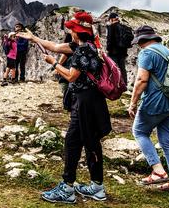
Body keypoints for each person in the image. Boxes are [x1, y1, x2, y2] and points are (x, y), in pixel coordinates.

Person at [18, 11, 111, 203]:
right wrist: (33, 37)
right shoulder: (89, 46)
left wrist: (53, 63)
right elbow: (54, 46)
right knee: (85, 142)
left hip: (85, 102)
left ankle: (68, 188)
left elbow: (70, 76)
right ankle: (95, 186)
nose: (70, 32)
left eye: (72, 30)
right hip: (91, 101)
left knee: (74, 142)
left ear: (77, 32)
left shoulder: (83, 51)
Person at [127, 25, 169, 194]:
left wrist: (132, 103)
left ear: (142, 40)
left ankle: (158, 171)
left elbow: (141, 80)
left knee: (139, 131)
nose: (138, 46)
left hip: (156, 103)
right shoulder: (167, 52)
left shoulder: (146, 53)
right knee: (168, 142)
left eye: (138, 42)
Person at [106, 12, 129, 85]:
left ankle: (115, 85)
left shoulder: (111, 27)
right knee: (122, 68)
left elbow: (109, 40)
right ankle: (124, 84)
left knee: (114, 69)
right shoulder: (124, 27)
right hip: (123, 52)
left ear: (112, 19)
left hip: (113, 52)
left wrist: (108, 50)